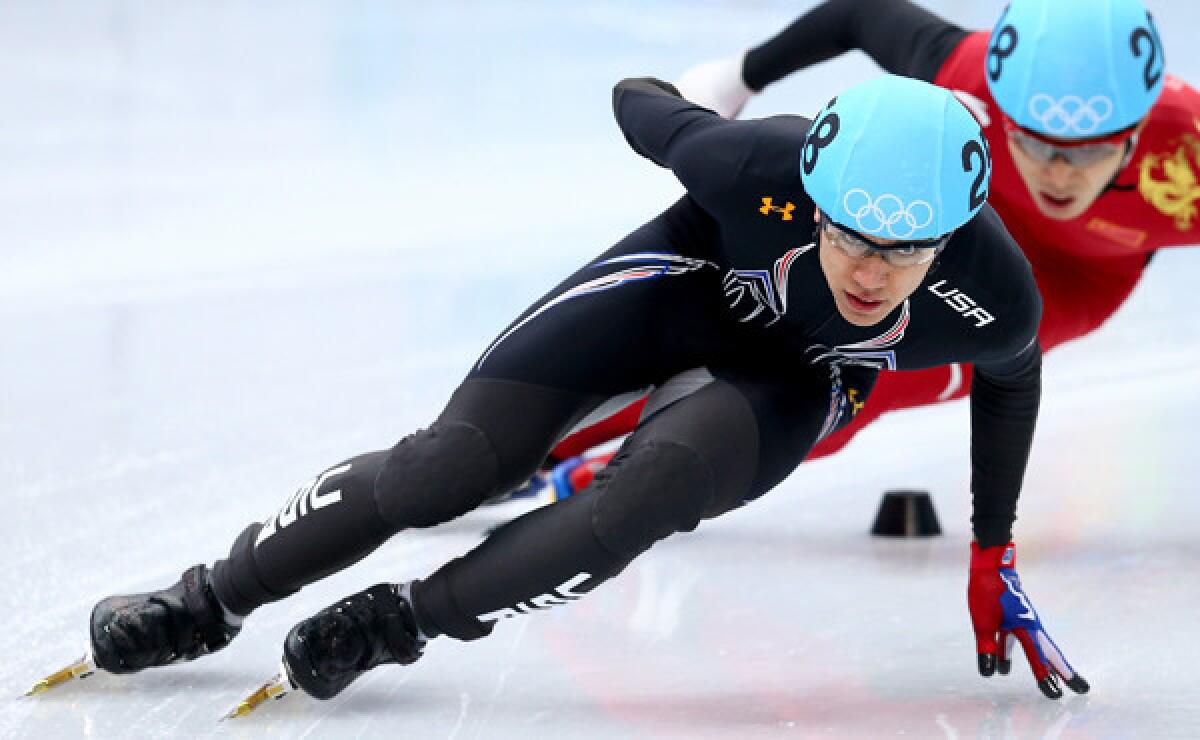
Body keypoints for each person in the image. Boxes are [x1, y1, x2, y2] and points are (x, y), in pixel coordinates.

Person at [81, 73, 1087, 707]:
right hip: (680, 281)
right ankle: (206, 596)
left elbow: (1011, 380)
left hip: (797, 374)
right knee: (450, 468)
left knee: (648, 491)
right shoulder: (750, 165)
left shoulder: (992, 293)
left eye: (905, 253)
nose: (871, 273)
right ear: (813, 199)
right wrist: (707, 94)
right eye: (851, 237)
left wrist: (991, 546)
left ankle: (404, 620)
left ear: (948, 238)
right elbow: (636, 100)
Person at [530, 0, 1200, 493]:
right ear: (998, 100)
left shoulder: (1191, 159)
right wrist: (741, 75)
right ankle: (543, 442)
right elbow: (860, 14)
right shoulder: (967, 73)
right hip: (932, 234)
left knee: (853, 385)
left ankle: (626, 478)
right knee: (742, 318)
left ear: (1140, 132)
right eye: (1031, 139)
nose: (1056, 172)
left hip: (1071, 279)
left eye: (1087, 151)